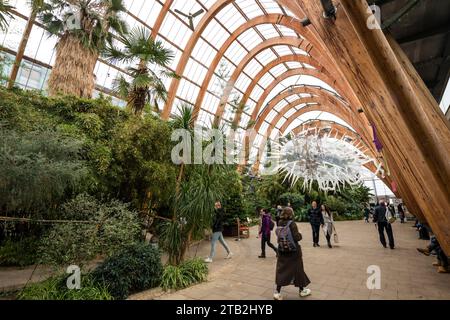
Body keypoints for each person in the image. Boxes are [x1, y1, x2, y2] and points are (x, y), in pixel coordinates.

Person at [274, 207, 311, 300]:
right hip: (294, 252)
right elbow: (297, 238)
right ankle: (302, 291)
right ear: (291, 214)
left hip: (282, 251)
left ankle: (277, 292)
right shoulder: (292, 224)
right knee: (298, 270)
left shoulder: (280, 223)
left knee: (282, 270)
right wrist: (300, 233)